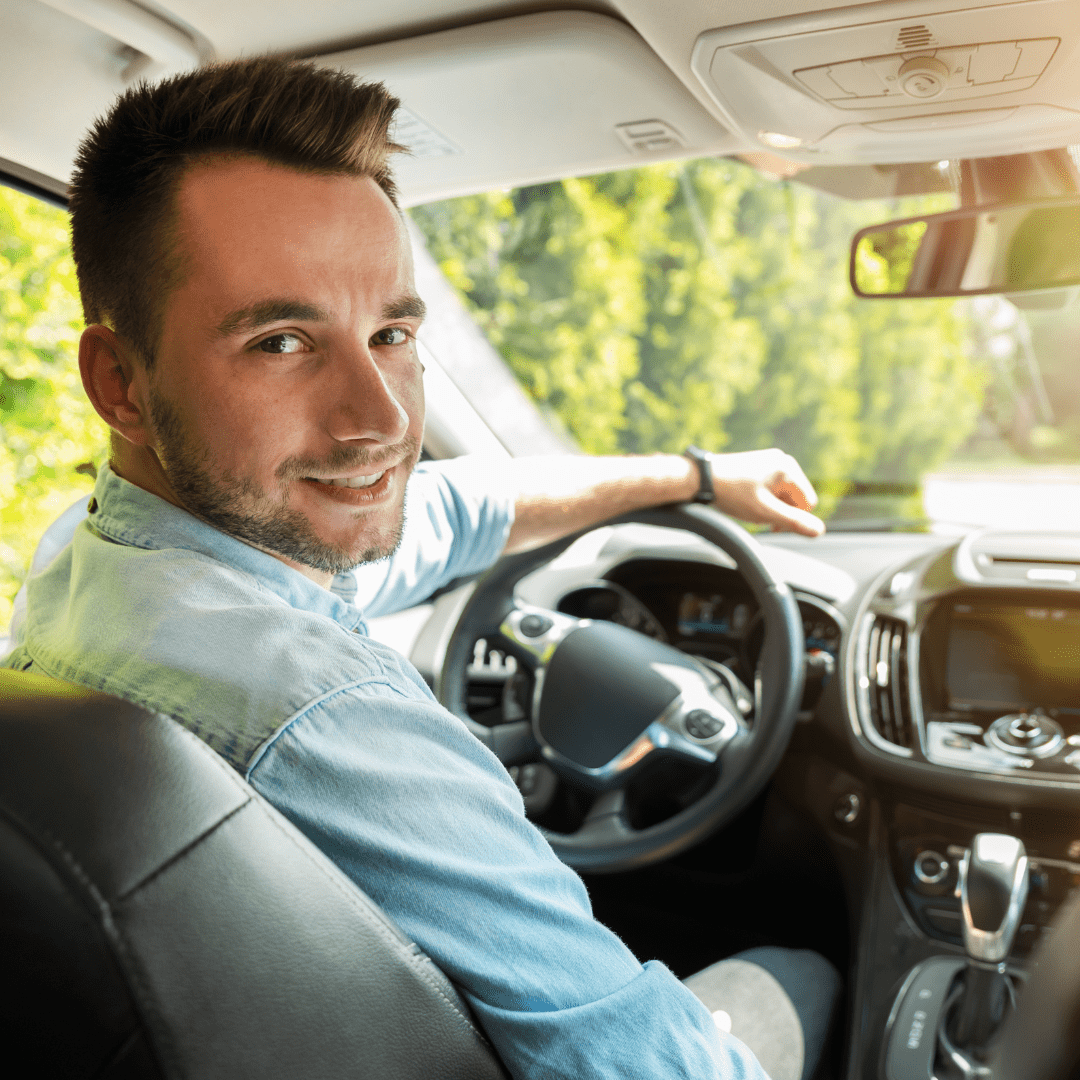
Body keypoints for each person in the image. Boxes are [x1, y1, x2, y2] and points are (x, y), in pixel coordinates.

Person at [4, 57, 838, 1080]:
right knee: (798, 971)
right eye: (280, 342)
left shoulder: (86, 563)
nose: (385, 418)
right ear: (119, 383)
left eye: (392, 332)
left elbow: (448, 512)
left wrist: (699, 475)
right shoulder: (329, 716)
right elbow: (649, 1063)